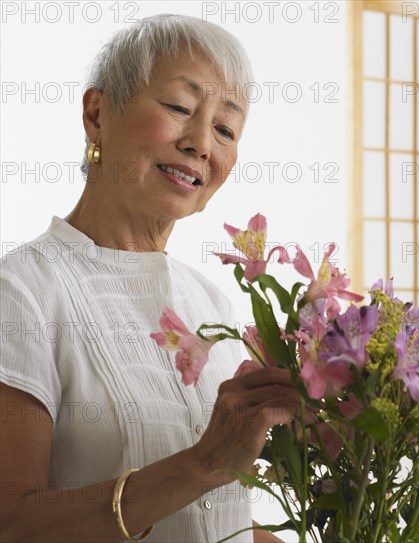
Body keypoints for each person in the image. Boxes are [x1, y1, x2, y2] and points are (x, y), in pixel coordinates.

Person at [0, 14, 297, 543]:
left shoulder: (212, 305)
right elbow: (13, 524)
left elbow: (212, 521)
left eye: (225, 129)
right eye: (180, 108)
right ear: (96, 115)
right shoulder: (23, 292)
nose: (202, 144)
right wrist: (203, 464)